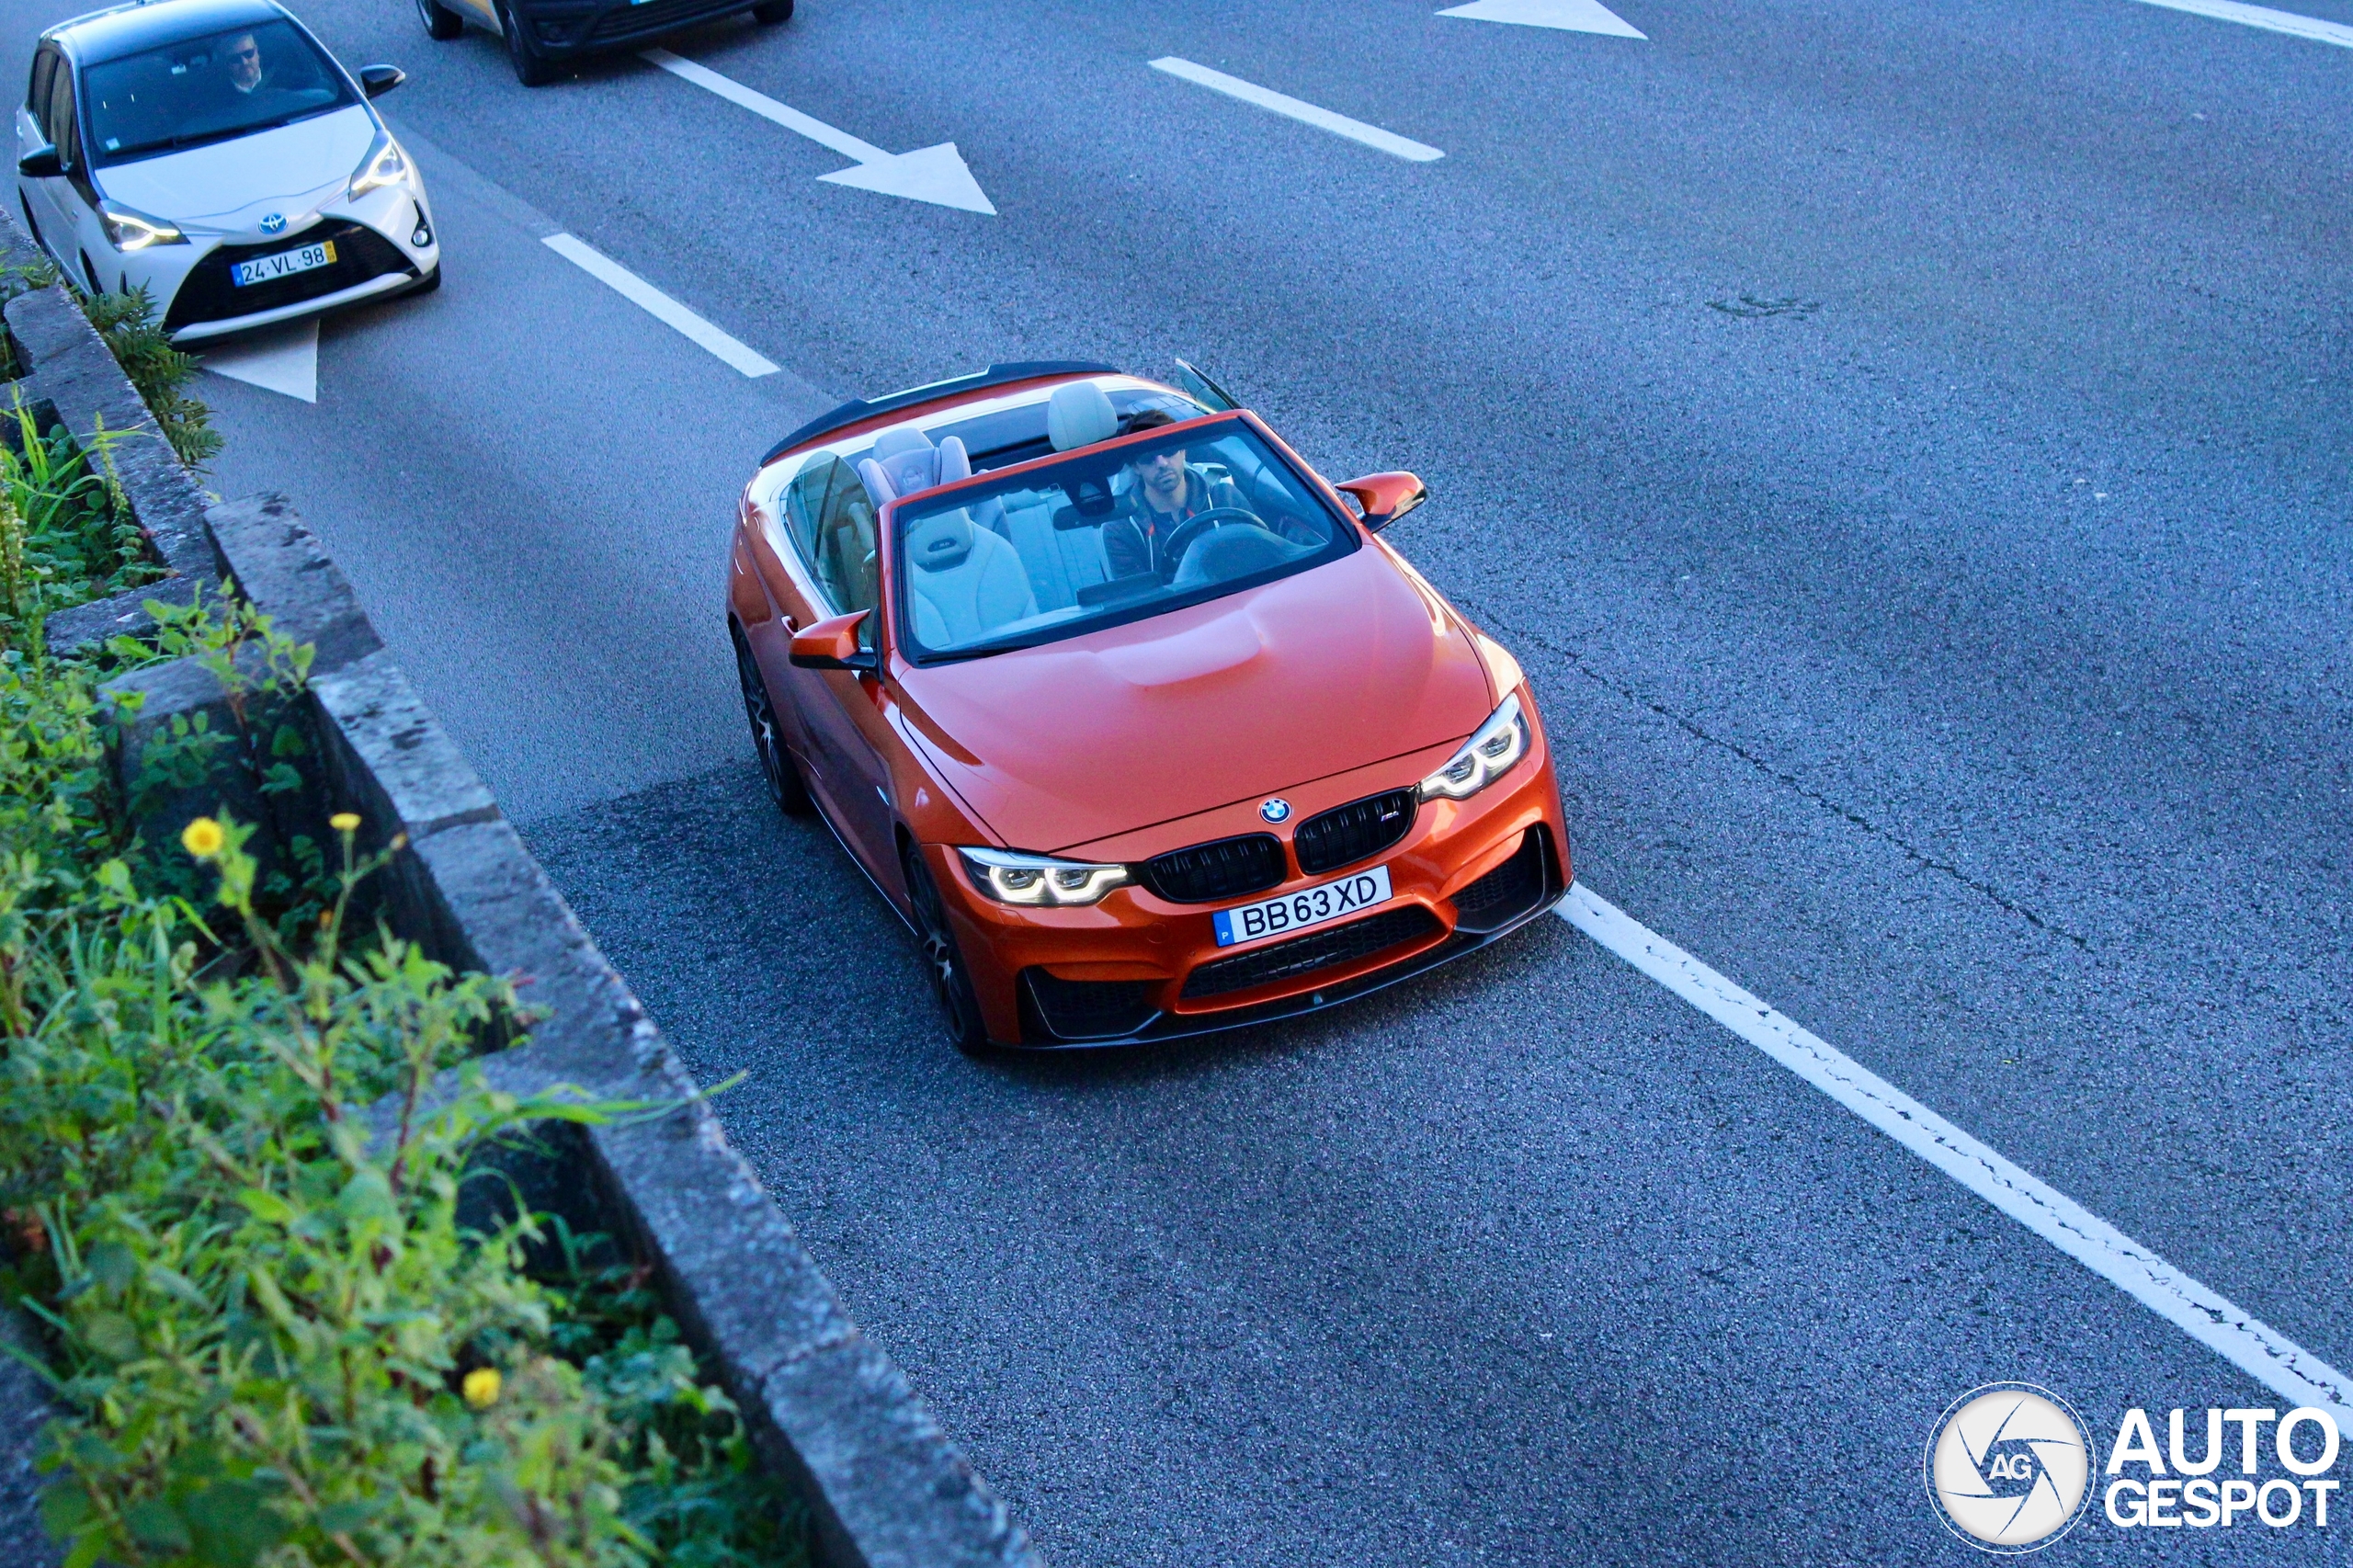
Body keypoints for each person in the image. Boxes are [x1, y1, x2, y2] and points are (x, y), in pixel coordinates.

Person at [1100, 411, 1246, 582]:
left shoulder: (1227, 499)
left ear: (1183, 450)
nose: (1162, 463)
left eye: (1168, 450)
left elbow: (1260, 557)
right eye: (1148, 458)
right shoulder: (1121, 530)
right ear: (1135, 467)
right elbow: (1139, 599)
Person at [223, 31, 266, 95]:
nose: (244, 62)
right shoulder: (217, 96)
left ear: (257, 51)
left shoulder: (280, 77)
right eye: (235, 58)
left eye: (248, 53)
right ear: (227, 63)